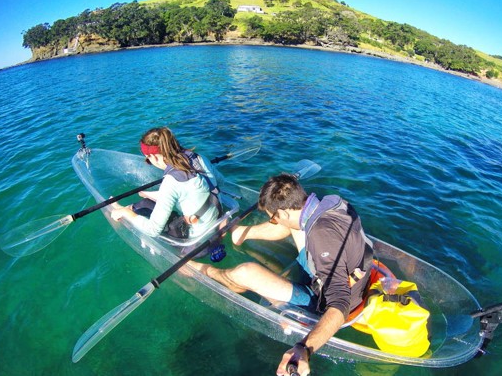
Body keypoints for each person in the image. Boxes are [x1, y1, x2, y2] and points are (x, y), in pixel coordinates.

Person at [187, 173, 373, 376]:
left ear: (283, 212)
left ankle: (199, 269)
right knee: (296, 225)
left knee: (245, 273)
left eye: (273, 217)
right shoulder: (330, 202)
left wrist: (304, 348)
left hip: (325, 299)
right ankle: (241, 233)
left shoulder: (321, 237)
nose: (274, 221)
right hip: (346, 269)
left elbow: (339, 304)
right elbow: (301, 226)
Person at [110, 127, 224, 244]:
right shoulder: (198, 157)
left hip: (196, 238)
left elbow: (153, 230)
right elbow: (220, 182)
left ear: (153, 156)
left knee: (141, 207)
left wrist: (126, 213)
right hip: (217, 216)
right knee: (146, 202)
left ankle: (121, 210)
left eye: (148, 159)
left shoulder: (170, 182)